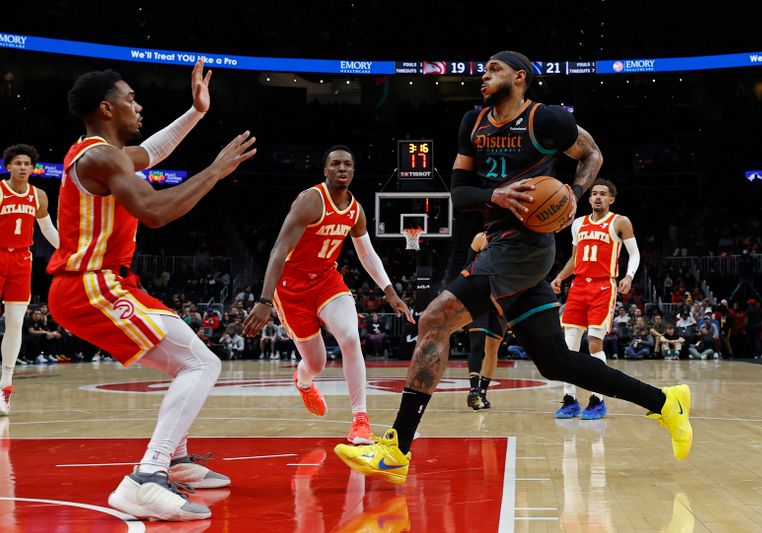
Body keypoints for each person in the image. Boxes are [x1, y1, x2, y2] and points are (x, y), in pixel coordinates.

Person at [334, 51, 692, 485]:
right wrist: (495, 195)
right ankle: (665, 402)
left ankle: (396, 448)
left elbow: (592, 153)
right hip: (501, 244)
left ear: (520, 77)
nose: (484, 76)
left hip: (526, 248)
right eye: (483, 71)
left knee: (434, 320)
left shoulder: (548, 120)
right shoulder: (474, 124)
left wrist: (572, 195)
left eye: (494, 70)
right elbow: (460, 193)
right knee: (555, 361)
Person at [46, 60, 256, 521]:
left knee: (187, 357)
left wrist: (197, 112)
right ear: (106, 108)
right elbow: (155, 212)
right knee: (202, 363)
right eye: (130, 99)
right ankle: (147, 476)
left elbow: (151, 152)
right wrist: (214, 172)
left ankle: (176, 461)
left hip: (104, 283)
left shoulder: (105, 152)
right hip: (90, 284)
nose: (138, 106)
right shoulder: (100, 156)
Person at [242, 145, 413, 445]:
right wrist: (264, 300)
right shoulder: (311, 200)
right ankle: (304, 380)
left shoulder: (355, 210)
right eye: (335, 164)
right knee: (317, 364)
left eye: (348, 164)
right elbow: (279, 249)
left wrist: (389, 291)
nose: (342, 168)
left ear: (354, 171)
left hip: (326, 281)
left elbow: (367, 253)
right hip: (290, 289)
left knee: (349, 336)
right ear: (325, 170)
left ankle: (360, 420)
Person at [550, 179, 639, 420]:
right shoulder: (578, 224)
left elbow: (634, 253)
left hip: (603, 287)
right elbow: (574, 259)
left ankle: (597, 400)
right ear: (589, 199)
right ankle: (570, 400)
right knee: (567, 347)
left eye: (603, 194)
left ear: (611, 199)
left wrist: (629, 276)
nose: (598, 197)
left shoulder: (620, 222)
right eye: (594, 194)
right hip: (578, 287)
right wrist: (559, 277)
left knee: (594, 345)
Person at [0, 144, 60, 414]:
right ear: (8, 166)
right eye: (18, 163)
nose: (23, 167)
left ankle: (5, 386)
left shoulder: (39, 196)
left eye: (27, 163)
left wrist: (69, 252)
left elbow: (47, 229)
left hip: (22, 261)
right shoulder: (0, 191)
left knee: (14, 324)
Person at [463, 231, 505, 410]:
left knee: (492, 348)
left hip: (501, 299)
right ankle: (473, 390)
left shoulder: (515, 241)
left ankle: (483, 394)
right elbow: (467, 267)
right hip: (479, 298)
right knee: (477, 343)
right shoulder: (481, 237)